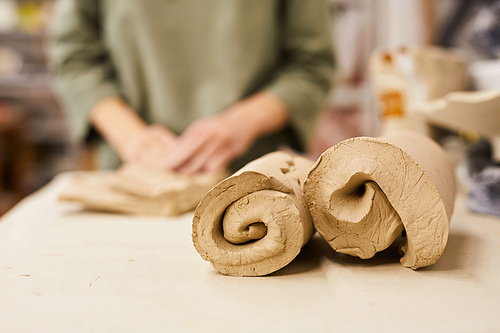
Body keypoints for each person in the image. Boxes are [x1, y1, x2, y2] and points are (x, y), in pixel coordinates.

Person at [48, 0, 335, 174]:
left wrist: (241, 123)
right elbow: (75, 59)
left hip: (252, 179)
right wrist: (133, 139)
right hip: (129, 177)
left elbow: (312, 66)